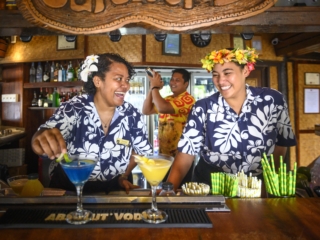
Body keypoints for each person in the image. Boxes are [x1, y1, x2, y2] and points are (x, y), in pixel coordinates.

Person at [166, 47, 297, 190]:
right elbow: (185, 155)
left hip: (256, 188)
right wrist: (167, 191)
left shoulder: (272, 100)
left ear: (245, 71)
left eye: (227, 73)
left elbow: (282, 143)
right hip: (210, 188)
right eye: (215, 75)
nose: (221, 81)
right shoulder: (202, 108)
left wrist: (270, 182)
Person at [31, 53, 152, 194]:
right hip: (71, 187)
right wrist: (39, 139)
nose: (126, 85)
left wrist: (123, 175)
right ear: (98, 81)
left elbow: (140, 151)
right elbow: (42, 138)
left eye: (127, 79)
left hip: (115, 187)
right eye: (119, 79)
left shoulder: (132, 114)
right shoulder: (74, 108)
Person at [142, 68, 195, 185]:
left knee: (178, 194)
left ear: (186, 84)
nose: (173, 82)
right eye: (172, 79)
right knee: (163, 191)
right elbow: (146, 110)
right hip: (164, 157)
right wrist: (152, 87)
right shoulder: (168, 99)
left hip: (182, 159)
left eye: (177, 80)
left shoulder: (188, 100)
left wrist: (155, 87)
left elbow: (162, 107)